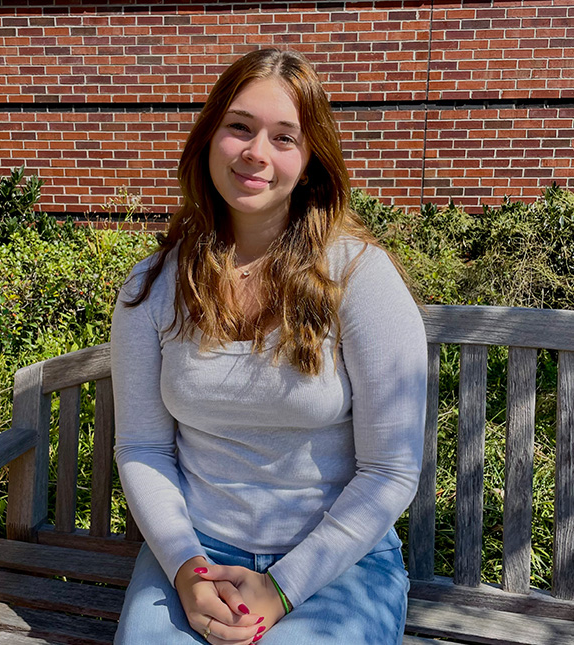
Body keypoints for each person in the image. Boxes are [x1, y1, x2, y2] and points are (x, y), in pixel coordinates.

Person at [110, 48, 427, 645]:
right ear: (209, 139)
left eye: (285, 137)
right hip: (195, 553)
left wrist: (282, 587)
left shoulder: (360, 278)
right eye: (239, 127)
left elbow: (389, 471)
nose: (257, 152)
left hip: (336, 562)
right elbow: (144, 448)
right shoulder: (152, 288)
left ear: (308, 163)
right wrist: (186, 570)